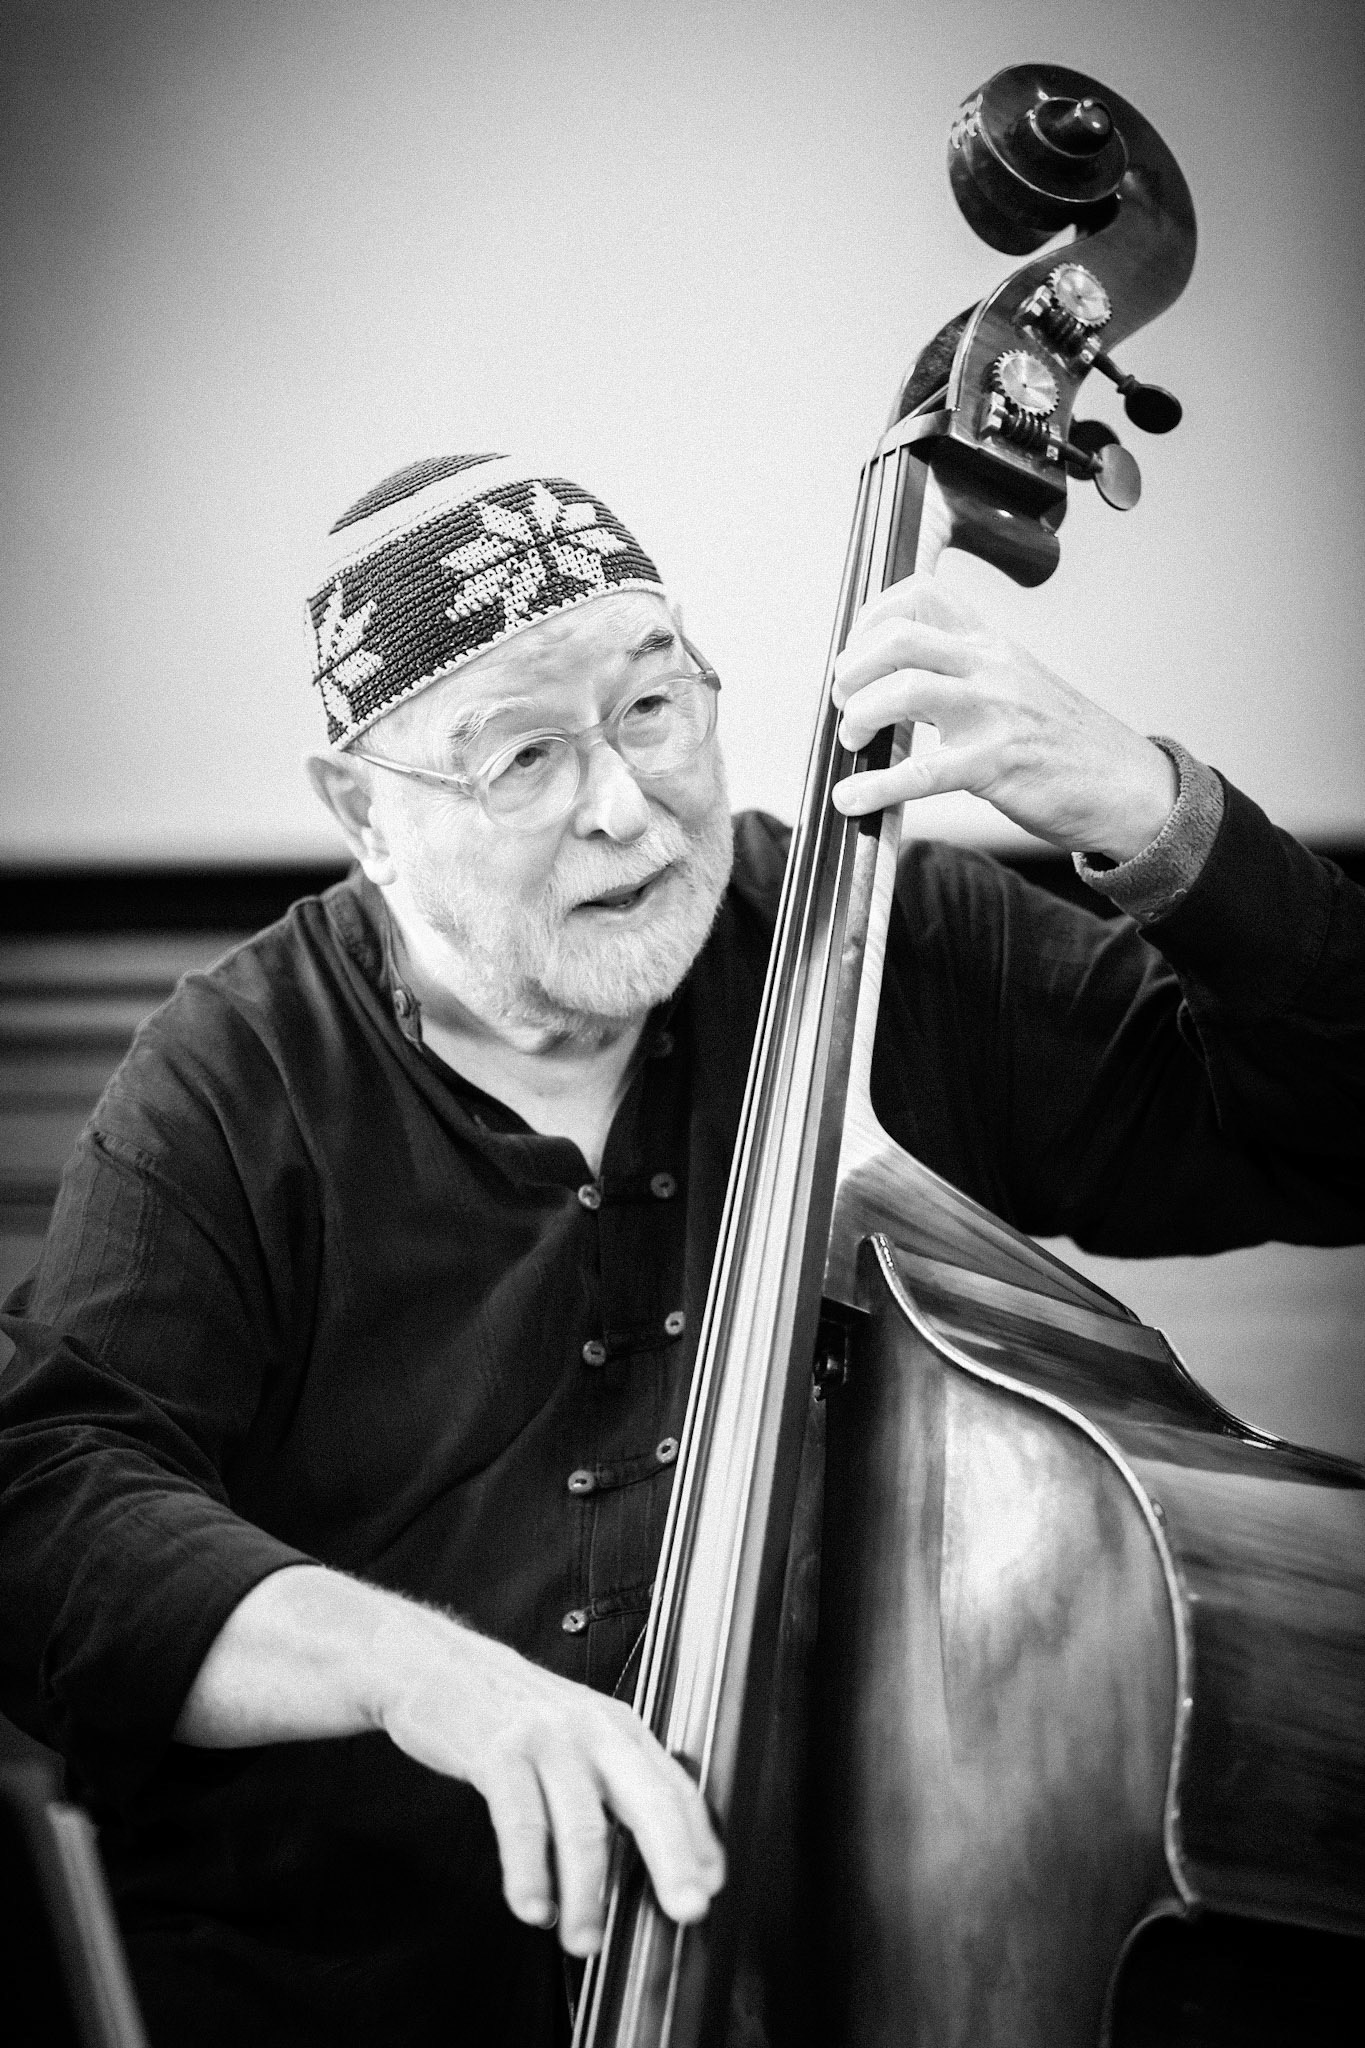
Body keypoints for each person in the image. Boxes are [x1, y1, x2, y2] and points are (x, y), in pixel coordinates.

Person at [0, 454, 1360, 2047]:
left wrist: (1152, 812)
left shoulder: (876, 950)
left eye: (654, 709)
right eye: (522, 755)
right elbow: (42, 1514)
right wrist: (416, 1675)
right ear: (365, 811)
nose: (623, 803)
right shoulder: (233, 1081)